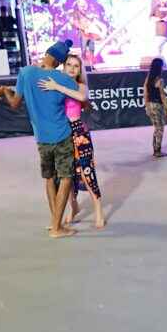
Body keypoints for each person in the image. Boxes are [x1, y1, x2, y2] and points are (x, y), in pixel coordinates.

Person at [0, 40, 79, 239]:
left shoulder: (26, 73)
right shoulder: (62, 79)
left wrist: (5, 91)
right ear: (59, 60)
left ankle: (54, 221)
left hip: (41, 139)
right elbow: (82, 98)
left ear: (47, 53)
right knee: (65, 178)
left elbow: (14, 103)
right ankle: (57, 228)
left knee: (48, 179)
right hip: (62, 135)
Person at [38, 54, 105, 229]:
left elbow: (82, 98)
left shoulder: (80, 86)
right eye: (69, 64)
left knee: (85, 171)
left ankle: (98, 209)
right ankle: (73, 207)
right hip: (61, 133)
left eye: (76, 66)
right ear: (63, 66)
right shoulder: (55, 84)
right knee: (66, 174)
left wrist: (57, 86)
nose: (72, 68)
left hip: (79, 132)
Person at [144, 57, 167, 158]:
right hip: (157, 105)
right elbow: (162, 95)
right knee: (160, 128)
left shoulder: (148, 78)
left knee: (156, 128)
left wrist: (146, 106)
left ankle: (156, 149)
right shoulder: (159, 80)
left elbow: (145, 93)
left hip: (150, 105)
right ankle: (157, 150)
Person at [71, 0, 107, 70]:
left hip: (91, 35)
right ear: (78, 6)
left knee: (91, 49)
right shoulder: (76, 14)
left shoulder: (89, 14)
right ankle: (84, 66)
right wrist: (84, 29)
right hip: (83, 34)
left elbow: (95, 23)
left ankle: (91, 65)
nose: (84, 7)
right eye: (82, 5)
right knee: (84, 51)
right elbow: (75, 23)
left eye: (85, 5)